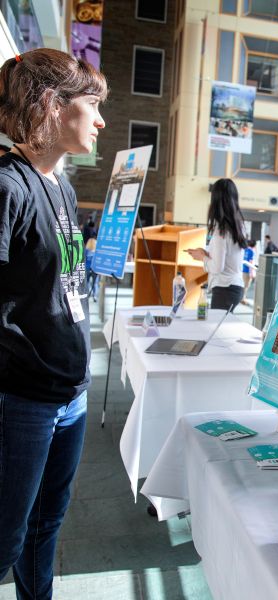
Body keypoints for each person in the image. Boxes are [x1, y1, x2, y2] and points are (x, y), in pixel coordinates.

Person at [0, 48, 107, 598]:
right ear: (51, 105)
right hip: (21, 400)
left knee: (44, 529)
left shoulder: (62, 187)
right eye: (92, 105)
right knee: (3, 542)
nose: (101, 119)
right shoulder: (7, 186)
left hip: (71, 395)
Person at [186, 178, 247, 311]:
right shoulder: (238, 226)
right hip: (234, 287)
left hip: (225, 288)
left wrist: (202, 257)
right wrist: (206, 253)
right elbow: (228, 257)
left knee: (216, 330)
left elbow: (217, 267)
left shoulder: (221, 230)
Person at [241, 239, 257, 305]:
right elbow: (251, 262)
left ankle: (242, 298)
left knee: (243, 285)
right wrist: (251, 273)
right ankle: (243, 299)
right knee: (246, 286)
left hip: (243, 269)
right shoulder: (252, 251)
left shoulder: (245, 250)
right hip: (248, 271)